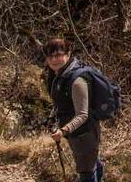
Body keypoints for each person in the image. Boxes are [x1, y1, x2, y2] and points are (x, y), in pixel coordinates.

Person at [43, 38, 106, 182]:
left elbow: (82, 114)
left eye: (59, 55)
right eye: (51, 56)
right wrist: (53, 117)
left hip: (85, 132)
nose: (54, 59)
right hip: (76, 133)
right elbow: (62, 103)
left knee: (86, 172)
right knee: (92, 163)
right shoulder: (58, 75)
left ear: (68, 54)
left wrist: (63, 130)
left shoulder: (77, 81)